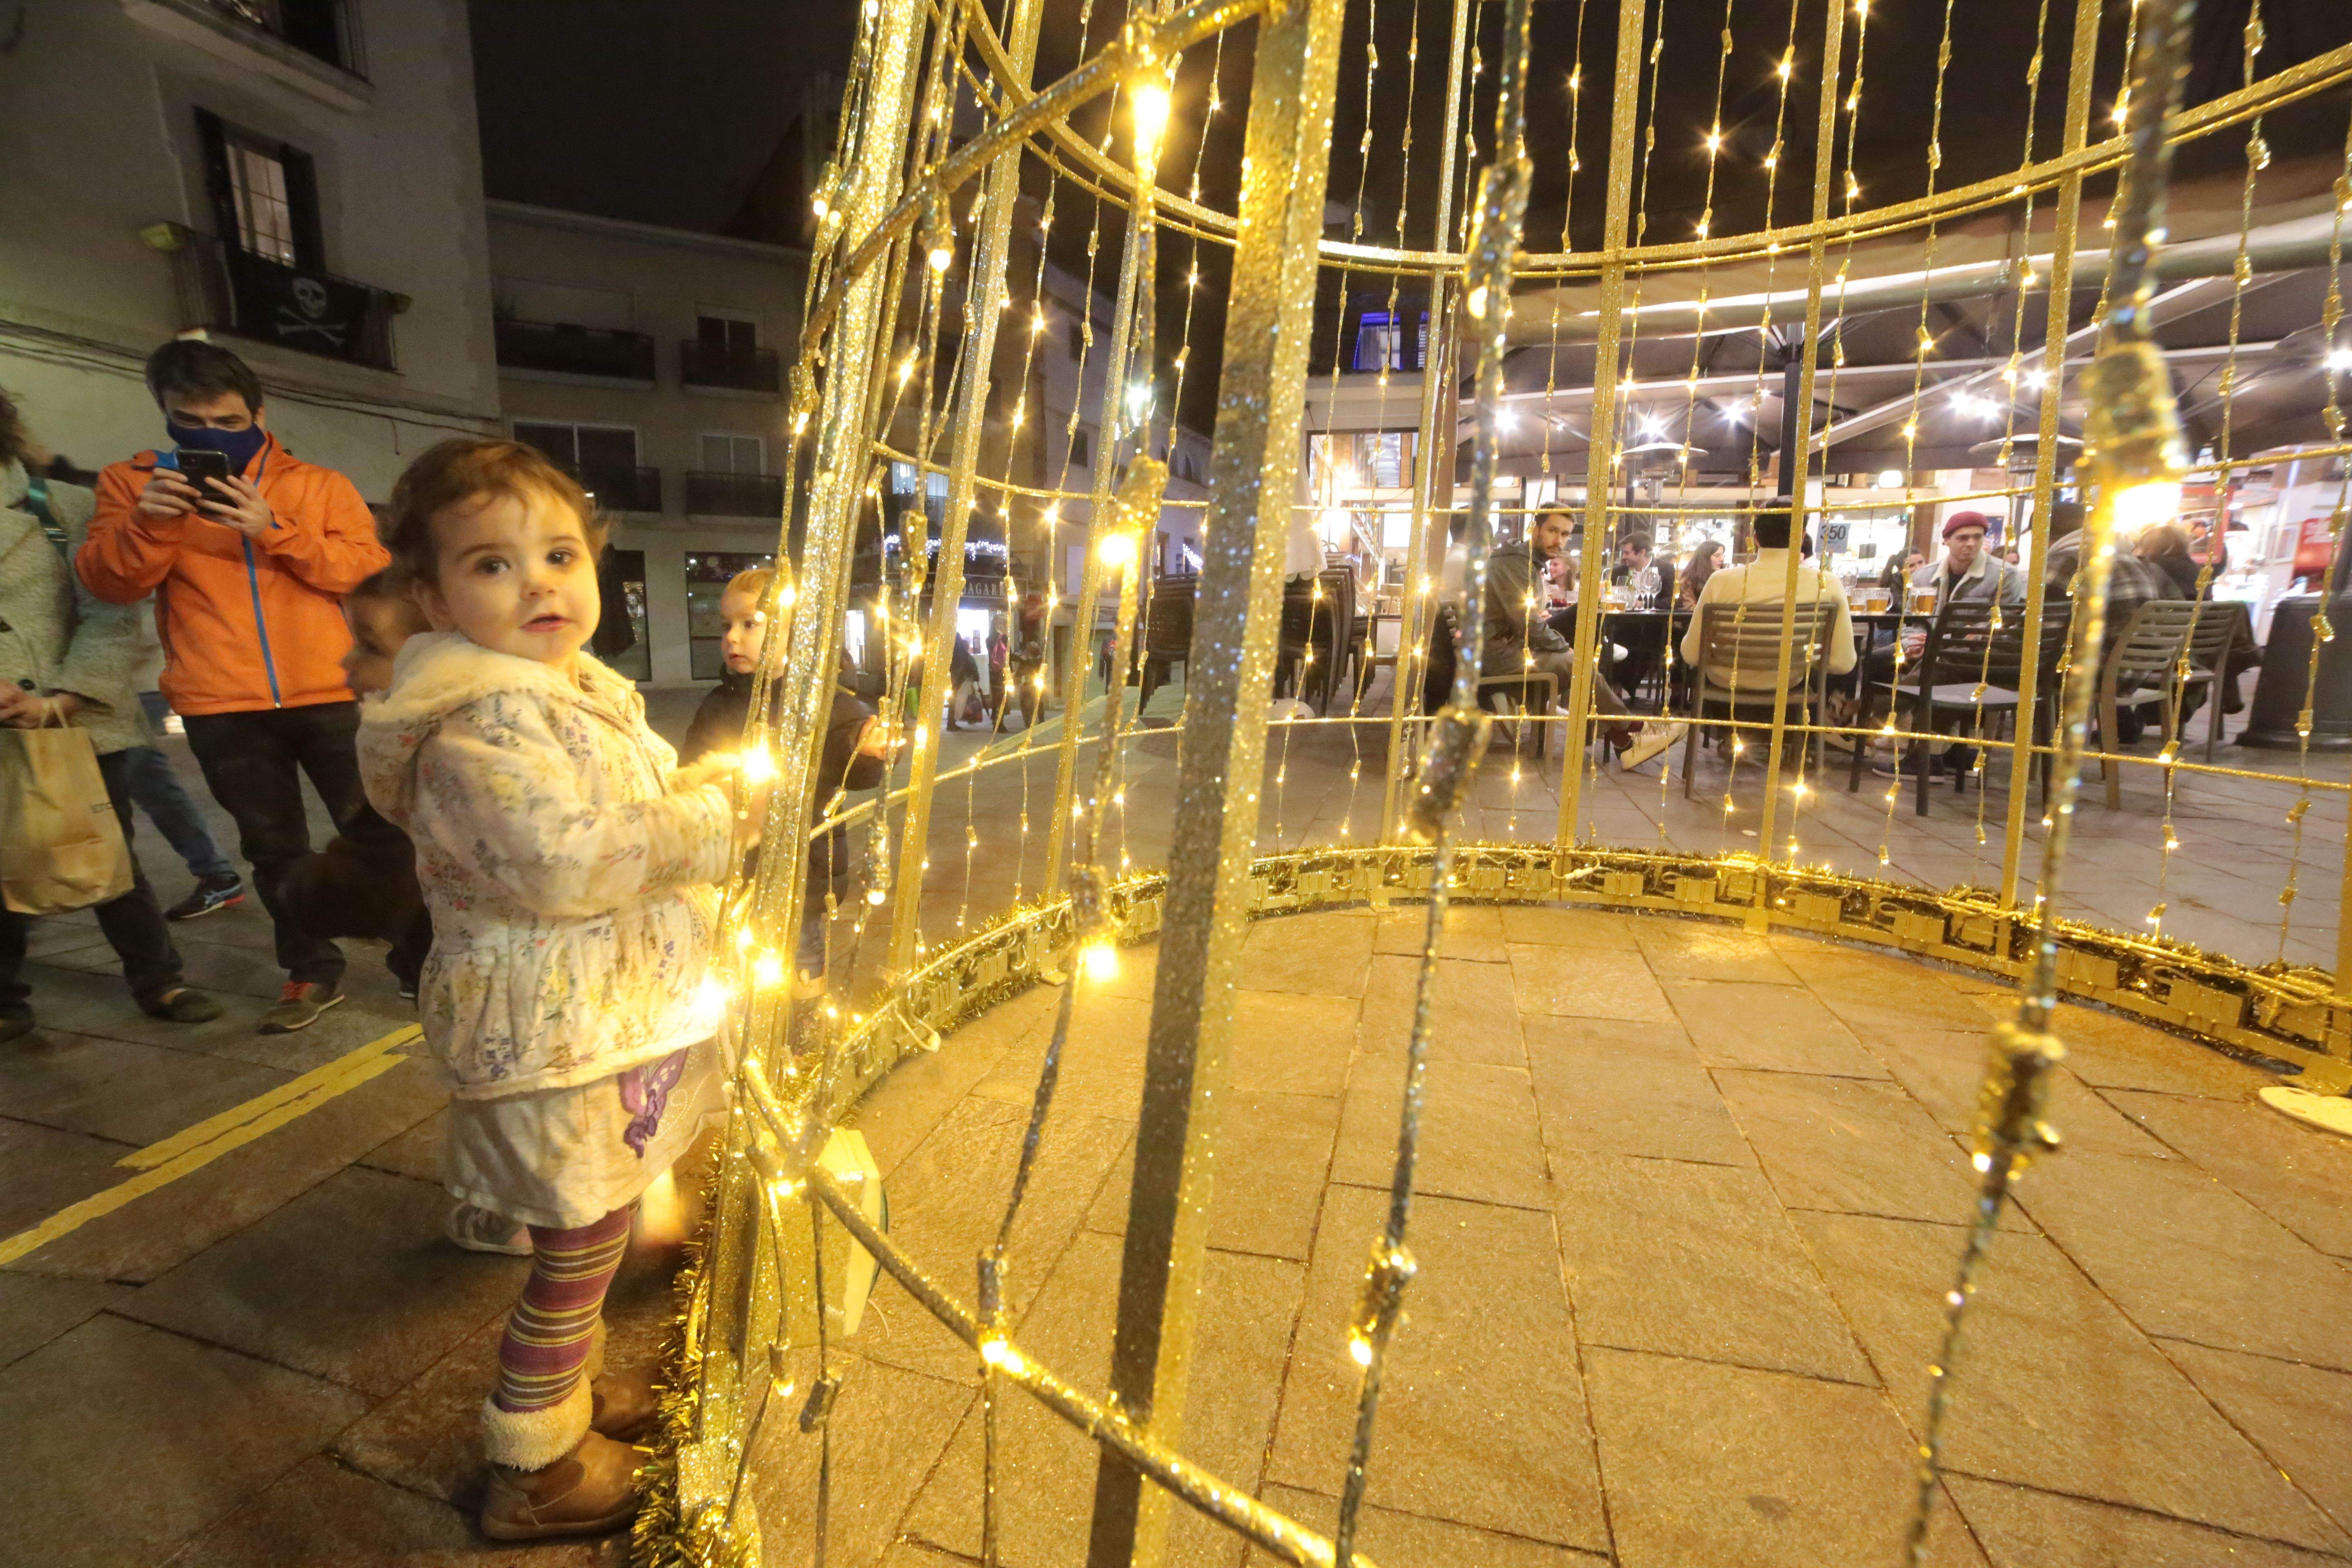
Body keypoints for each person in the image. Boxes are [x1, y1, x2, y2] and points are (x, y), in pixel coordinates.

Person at [359, 439, 751, 1541]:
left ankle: (565, 1400)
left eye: (559, 553)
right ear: (433, 596)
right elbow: (560, 863)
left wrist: (688, 795)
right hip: (552, 1032)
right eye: (492, 564)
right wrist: (711, 823)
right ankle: (530, 1463)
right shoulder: (479, 723)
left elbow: (617, 813)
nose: (538, 583)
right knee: (574, 1255)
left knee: (604, 1221)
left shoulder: (568, 692)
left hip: (598, 1021)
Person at [78, 339, 389, 1033]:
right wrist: (152, 522)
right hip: (222, 704)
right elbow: (109, 581)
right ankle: (310, 971)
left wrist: (273, 528)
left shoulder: (316, 484)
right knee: (274, 847)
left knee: (376, 832)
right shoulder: (131, 486)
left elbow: (366, 571)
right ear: (164, 413)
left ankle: (418, 959)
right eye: (190, 420)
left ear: (258, 412)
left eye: (226, 421)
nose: (210, 435)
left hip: (333, 692)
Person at [1, 389, 223, 1042]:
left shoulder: (56, 508)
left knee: (105, 854)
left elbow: (112, 612)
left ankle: (159, 979)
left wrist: (59, 700)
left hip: (72, 717)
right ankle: (6, 999)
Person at [11, 411, 247, 920]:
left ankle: (213, 876)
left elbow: (115, 603)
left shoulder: (73, 513)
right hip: (110, 678)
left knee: (141, 790)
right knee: (143, 789)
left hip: (116, 681)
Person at [678, 565, 890, 984]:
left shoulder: (820, 703)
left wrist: (865, 746)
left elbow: (851, 756)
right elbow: (691, 767)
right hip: (731, 866)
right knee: (735, 967)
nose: (732, 638)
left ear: (795, 633)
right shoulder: (718, 705)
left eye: (750, 624)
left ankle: (802, 1037)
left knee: (799, 965)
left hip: (803, 868)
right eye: (727, 626)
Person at [274, 572, 434, 1004]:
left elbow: (374, 885)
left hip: (475, 987)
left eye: (370, 647)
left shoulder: (424, 757)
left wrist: (304, 888)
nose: (347, 661)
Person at [1680, 502, 1857, 692]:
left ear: (1756, 539)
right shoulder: (1827, 583)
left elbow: (1691, 655)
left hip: (1724, 687)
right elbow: (1843, 663)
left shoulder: (1720, 581)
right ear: (1802, 536)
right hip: (1788, 689)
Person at [1931, 511, 2027, 605]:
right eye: (1963, 538)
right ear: (1947, 541)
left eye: (1978, 538)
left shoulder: (2005, 575)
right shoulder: (1924, 575)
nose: (1971, 544)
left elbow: (2000, 618)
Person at [1677, 540, 1725, 610]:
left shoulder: (1723, 577)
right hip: (1698, 618)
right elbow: (1690, 607)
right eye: (1717, 556)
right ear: (1705, 558)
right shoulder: (1689, 578)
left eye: (1722, 555)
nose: (1722, 559)